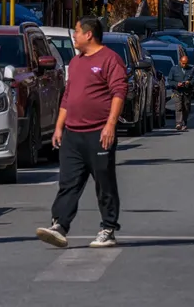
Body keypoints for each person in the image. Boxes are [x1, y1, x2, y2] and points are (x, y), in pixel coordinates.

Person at [36, 15, 128, 250]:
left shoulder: (110, 59)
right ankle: (59, 226)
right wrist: (59, 127)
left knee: (104, 182)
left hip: (99, 133)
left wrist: (110, 125)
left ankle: (108, 228)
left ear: (89, 34)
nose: (74, 36)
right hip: (73, 135)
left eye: (77, 32)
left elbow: (119, 92)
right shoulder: (76, 62)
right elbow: (68, 97)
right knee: (68, 182)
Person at [169, 53, 194, 131]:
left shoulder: (191, 69)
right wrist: (177, 84)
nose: (184, 65)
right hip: (177, 91)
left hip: (187, 92)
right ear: (180, 61)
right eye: (183, 63)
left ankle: (184, 122)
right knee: (179, 107)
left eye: (186, 63)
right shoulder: (174, 69)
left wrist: (189, 83)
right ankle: (179, 123)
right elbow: (170, 80)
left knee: (186, 107)